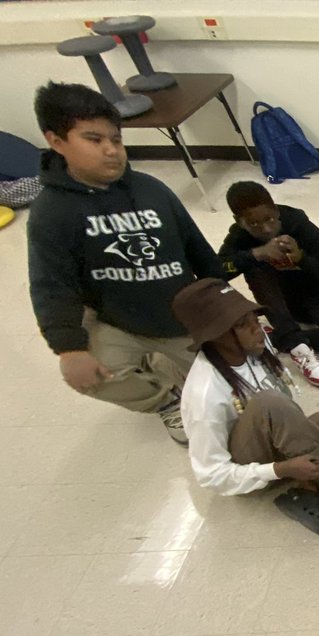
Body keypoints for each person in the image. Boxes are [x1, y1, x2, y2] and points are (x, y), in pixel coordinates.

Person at [26, 81, 224, 444]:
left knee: (235, 391)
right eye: (93, 140)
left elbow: (196, 246)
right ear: (56, 141)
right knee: (92, 374)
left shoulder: (152, 189)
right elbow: (52, 286)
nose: (111, 151)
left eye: (115, 140)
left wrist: (221, 296)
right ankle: (166, 401)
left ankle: (166, 361)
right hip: (118, 321)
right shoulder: (51, 213)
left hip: (182, 320)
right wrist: (70, 349)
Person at [172, 278, 319, 536]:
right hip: (252, 459)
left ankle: (305, 490)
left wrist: (295, 448)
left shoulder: (256, 348)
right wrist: (279, 469)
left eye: (254, 318)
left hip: (282, 439)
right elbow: (211, 474)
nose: (257, 329)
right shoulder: (205, 393)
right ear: (216, 336)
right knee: (268, 402)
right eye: (243, 325)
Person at [217, 180, 319, 388]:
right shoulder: (239, 237)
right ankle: (298, 347)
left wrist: (302, 259)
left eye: (270, 219)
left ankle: (276, 339)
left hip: (316, 293)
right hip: (281, 305)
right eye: (253, 224)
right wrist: (257, 253)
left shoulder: (298, 224)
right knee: (255, 266)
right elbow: (216, 273)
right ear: (239, 221)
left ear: (276, 210)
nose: (265, 228)